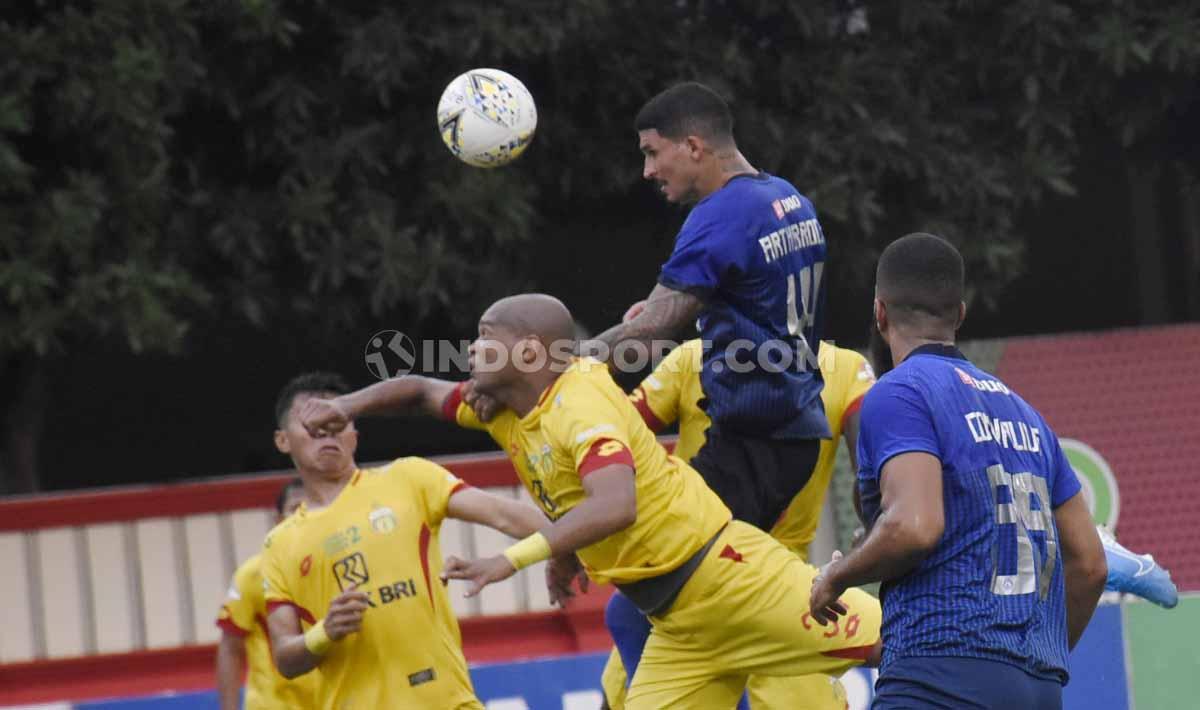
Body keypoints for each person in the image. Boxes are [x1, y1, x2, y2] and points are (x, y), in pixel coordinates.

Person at [301, 294, 882, 710]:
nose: (471, 348)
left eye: (485, 335)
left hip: (728, 580)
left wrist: (512, 559)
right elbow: (420, 390)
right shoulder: (506, 408)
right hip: (677, 624)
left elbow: (614, 504)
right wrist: (347, 406)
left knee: (912, 637)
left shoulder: (580, 407)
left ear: (528, 352)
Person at [809, 233, 1108, 709]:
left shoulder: (899, 392)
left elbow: (914, 526)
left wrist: (836, 576)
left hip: (938, 676)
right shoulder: (1028, 415)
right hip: (1037, 689)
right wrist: (1030, 660)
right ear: (960, 315)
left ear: (880, 313)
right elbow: (1090, 565)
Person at [582, 81, 832, 532]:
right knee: (712, 587)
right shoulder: (788, 198)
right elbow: (760, 297)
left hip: (754, 444)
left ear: (693, 146)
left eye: (652, 152)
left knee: (656, 563)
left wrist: (553, 372)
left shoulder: (722, 213)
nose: (647, 170)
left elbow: (645, 336)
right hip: (789, 433)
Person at [601, 338, 877, 709]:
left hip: (693, 575)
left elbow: (609, 438)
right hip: (782, 589)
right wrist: (881, 526)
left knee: (625, 645)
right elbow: (873, 477)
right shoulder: (843, 366)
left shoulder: (694, 356)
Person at [258, 372, 549, 710]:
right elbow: (285, 657)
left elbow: (506, 515)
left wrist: (569, 541)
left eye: (335, 417)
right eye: (310, 418)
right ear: (282, 440)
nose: (325, 427)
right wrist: (326, 631)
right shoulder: (279, 544)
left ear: (354, 432)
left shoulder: (408, 478)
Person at [216, 478, 315, 709]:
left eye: (308, 507)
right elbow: (230, 647)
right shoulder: (252, 575)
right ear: (278, 519)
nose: (301, 515)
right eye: (294, 508)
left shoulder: (338, 566)